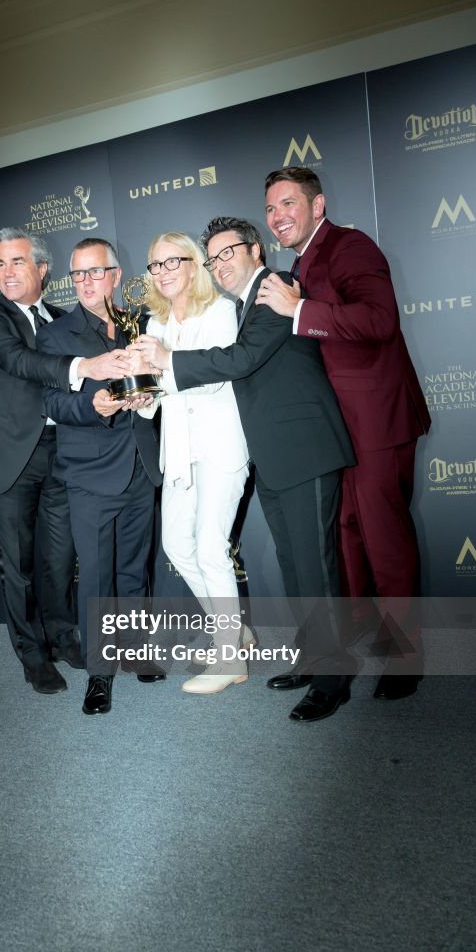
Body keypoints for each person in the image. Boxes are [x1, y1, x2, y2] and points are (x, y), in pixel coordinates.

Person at [134, 217, 356, 723]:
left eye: (225, 253)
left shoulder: (272, 291)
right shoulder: (238, 301)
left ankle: (331, 675)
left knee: (314, 568)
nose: (220, 263)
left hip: (301, 445)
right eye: (214, 257)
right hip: (272, 450)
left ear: (255, 250)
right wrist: (134, 394)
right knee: (297, 566)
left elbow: (238, 360)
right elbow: (183, 385)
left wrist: (168, 360)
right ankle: (307, 656)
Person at [259, 168, 431, 700]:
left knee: (385, 540)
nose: (278, 216)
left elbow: (380, 321)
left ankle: (405, 658)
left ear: (318, 205)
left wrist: (300, 311)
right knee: (348, 538)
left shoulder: (350, 246)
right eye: (270, 209)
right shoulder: (298, 263)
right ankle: (351, 641)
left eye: (288, 203)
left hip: (377, 422)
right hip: (337, 429)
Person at [0, 227, 128, 695]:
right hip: (11, 458)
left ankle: (61, 638)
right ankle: (32, 655)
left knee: (58, 558)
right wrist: (83, 367)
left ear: (41, 269)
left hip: (63, 454)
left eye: (17, 262)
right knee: (17, 564)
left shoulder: (61, 319)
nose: (7, 272)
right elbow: (22, 362)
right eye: (0, 263)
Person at [36, 238, 162, 716]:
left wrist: (149, 398)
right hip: (89, 473)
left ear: (115, 273)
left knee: (134, 570)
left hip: (140, 465)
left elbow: (159, 382)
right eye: (78, 275)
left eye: (95, 272)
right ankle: (99, 673)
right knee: (96, 577)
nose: (86, 283)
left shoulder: (141, 323)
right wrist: (92, 404)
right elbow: (50, 402)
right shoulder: (56, 335)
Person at [139, 231, 251, 694]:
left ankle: (230, 658)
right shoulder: (151, 323)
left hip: (221, 447)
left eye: (173, 262)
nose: (164, 272)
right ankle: (235, 633)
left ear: (193, 266)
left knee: (209, 548)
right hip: (179, 451)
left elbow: (211, 378)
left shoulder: (221, 311)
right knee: (176, 547)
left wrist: (165, 362)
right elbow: (153, 397)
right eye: (155, 265)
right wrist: (134, 399)